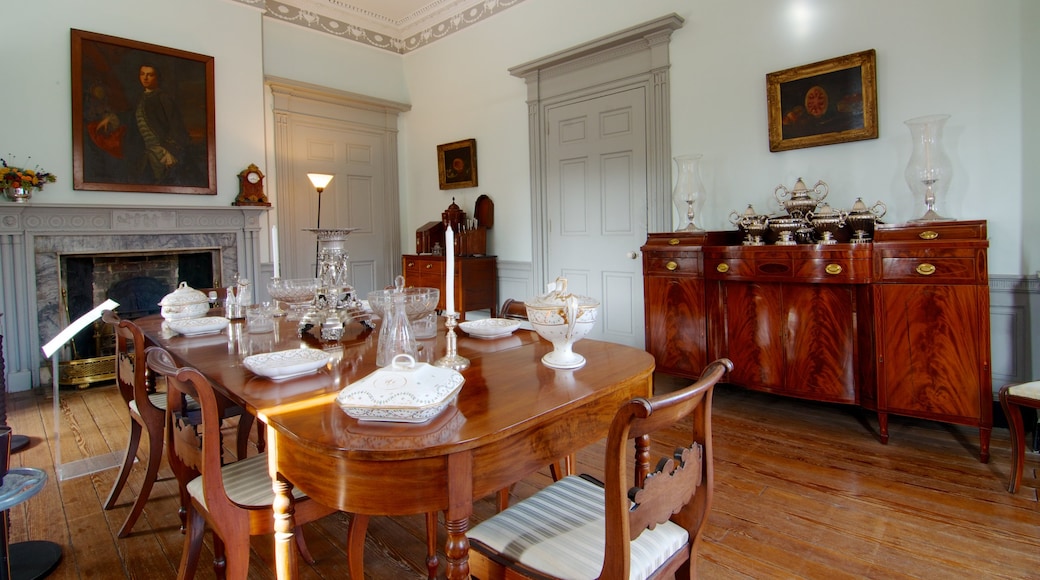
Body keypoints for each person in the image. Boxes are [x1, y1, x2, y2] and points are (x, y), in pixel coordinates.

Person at [91, 64, 194, 185]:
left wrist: (171, 151)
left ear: (157, 78)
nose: (145, 78)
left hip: (162, 153)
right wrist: (112, 119)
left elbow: (177, 127)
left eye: (149, 75)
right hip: (143, 154)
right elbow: (131, 117)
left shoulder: (163, 98)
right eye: (142, 74)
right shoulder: (140, 99)